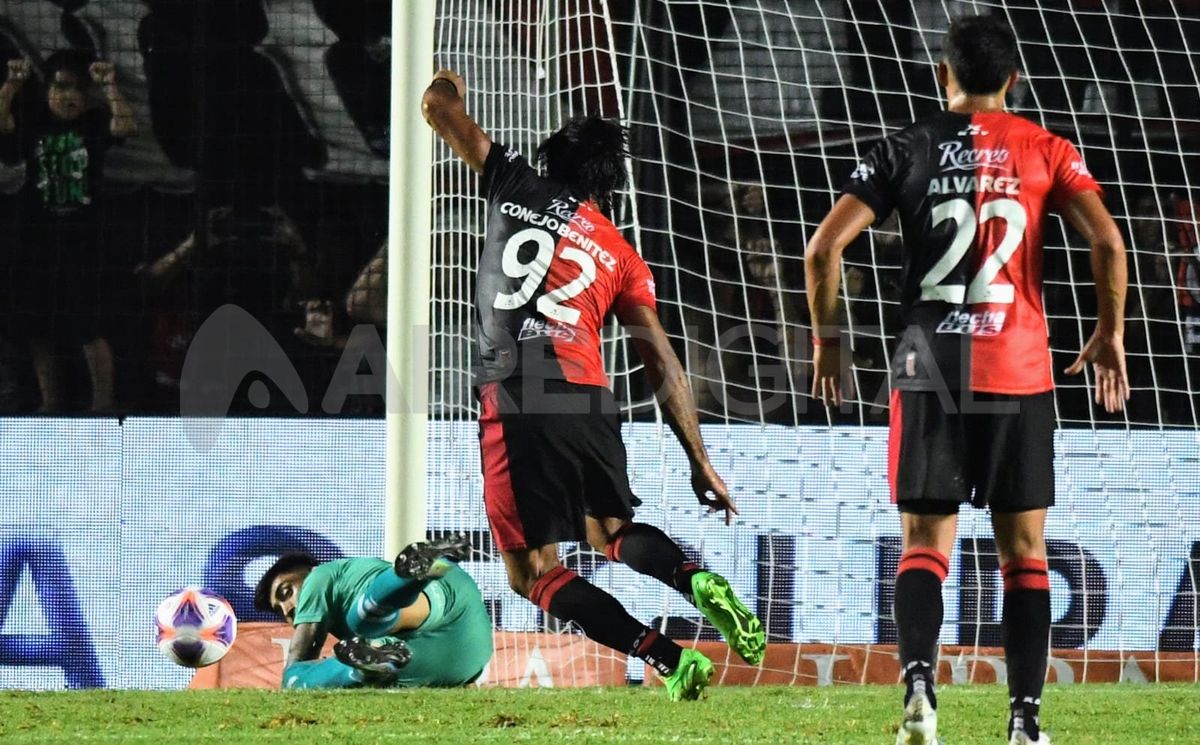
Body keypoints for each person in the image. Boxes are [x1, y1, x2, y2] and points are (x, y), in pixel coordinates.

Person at [805, 16, 1128, 745]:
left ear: (940, 75)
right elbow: (1108, 239)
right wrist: (1109, 334)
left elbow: (824, 248)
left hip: (928, 371)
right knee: (1025, 554)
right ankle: (1024, 720)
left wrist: (831, 344)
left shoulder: (904, 147)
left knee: (924, 543)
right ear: (1014, 79)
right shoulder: (1047, 150)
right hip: (1019, 368)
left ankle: (920, 689)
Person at [422, 69, 765, 702]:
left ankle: (665, 655)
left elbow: (437, 107)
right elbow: (662, 361)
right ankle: (693, 580)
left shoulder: (512, 180)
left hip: (515, 391)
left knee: (532, 572)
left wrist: (447, 81)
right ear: (610, 184)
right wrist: (700, 460)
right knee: (610, 532)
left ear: (551, 160)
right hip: (586, 394)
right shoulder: (621, 253)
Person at [0, 53, 135, 411]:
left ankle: (103, 404)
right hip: (36, 240)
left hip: (84, 241)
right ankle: (50, 403)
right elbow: (2, 125)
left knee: (87, 325)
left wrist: (109, 86)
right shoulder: (32, 120)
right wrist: (10, 86)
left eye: (78, 89)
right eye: (61, 86)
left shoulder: (94, 121)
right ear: (47, 89)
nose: (69, 96)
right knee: (36, 328)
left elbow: (124, 128)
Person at [254, 535, 492, 689]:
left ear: (310, 570)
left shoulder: (321, 576)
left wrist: (295, 678)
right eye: (280, 610)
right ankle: (368, 669)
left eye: (286, 592)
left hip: (447, 597)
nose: (289, 608)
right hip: (467, 657)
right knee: (375, 647)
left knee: (295, 677)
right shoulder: (358, 640)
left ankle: (406, 580)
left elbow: (299, 658)